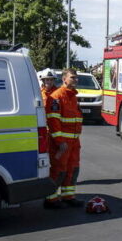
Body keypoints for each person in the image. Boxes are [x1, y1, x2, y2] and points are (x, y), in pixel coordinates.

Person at [47, 68, 85, 207]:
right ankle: (50, 199)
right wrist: (59, 141)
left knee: (73, 168)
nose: (76, 80)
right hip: (62, 143)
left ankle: (68, 196)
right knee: (59, 169)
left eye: (76, 77)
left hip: (74, 141)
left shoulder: (72, 96)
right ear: (64, 79)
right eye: (73, 77)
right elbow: (53, 120)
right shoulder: (57, 96)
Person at [39, 69, 65, 209]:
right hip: (43, 135)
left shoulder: (56, 95)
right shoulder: (39, 93)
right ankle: (49, 196)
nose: (48, 82)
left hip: (54, 136)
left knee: (56, 166)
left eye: (50, 80)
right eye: (46, 80)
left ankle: (52, 197)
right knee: (43, 166)